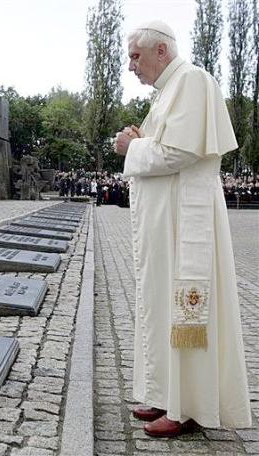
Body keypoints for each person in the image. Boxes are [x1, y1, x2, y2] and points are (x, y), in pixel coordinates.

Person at [115, 20, 252, 437]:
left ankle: (189, 406)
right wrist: (141, 139)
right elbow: (166, 143)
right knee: (162, 306)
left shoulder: (192, 80)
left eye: (136, 56)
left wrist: (131, 147)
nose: (130, 66)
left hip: (186, 222)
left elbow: (178, 151)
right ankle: (163, 393)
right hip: (167, 222)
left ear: (162, 51)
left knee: (186, 310)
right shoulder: (167, 92)